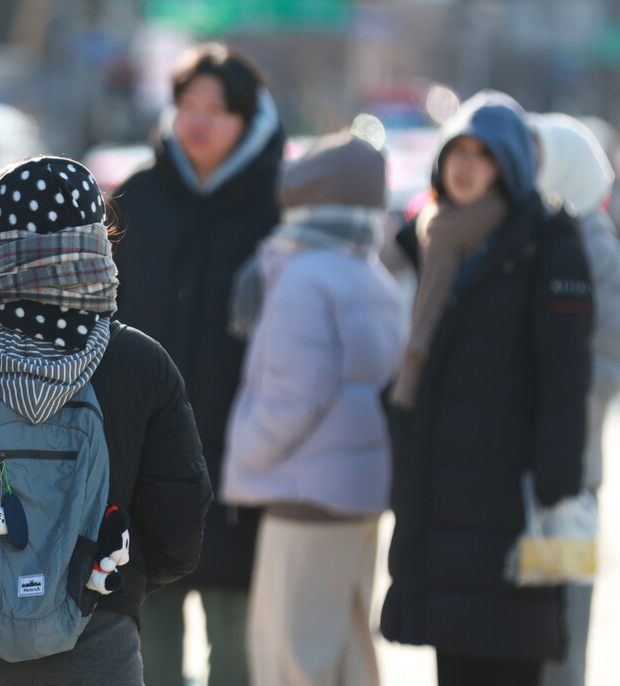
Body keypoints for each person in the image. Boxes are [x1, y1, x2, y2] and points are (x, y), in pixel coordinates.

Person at [0, 155, 213, 685]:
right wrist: (112, 581)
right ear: (95, 242)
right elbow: (180, 527)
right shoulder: (138, 362)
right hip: (99, 640)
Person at [380, 91, 593, 686]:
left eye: (485, 154)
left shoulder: (546, 243)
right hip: (443, 495)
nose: (466, 166)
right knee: (455, 663)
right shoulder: (433, 239)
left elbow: (565, 379)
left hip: (511, 498)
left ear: (512, 167)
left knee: (509, 662)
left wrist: (553, 491)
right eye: (457, 152)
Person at [111, 42, 285, 686]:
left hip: (243, 460)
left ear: (249, 120)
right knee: (146, 638)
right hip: (145, 454)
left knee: (235, 644)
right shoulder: (138, 197)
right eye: (188, 104)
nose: (200, 121)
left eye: (218, 108)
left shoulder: (278, 206)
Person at [221, 130, 404, 686]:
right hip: (358, 491)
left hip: (304, 493)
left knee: (288, 656)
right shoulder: (371, 272)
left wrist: (242, 456)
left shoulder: (303, 277)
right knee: (347, 653)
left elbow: (292, 395)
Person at [528, 111, 620, 686]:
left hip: (569, 483)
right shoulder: (524, 239)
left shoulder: (599, 255)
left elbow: (603, 370)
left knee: (560, 636)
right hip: (513, 475)